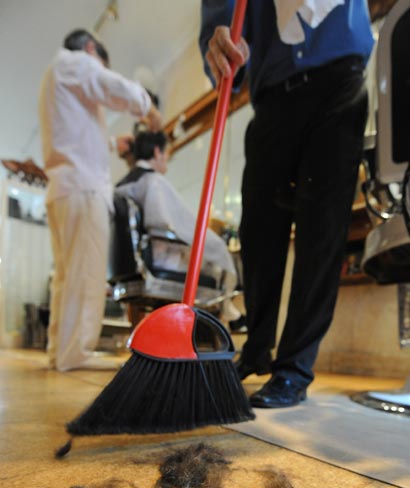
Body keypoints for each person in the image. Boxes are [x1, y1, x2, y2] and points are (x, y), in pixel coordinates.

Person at [200, 0, 374, 407]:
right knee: (257, 231)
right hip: (272, 93)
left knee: (321, 231)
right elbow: (220, 13)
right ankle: (256, 348)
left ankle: (294, 368)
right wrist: (219, 36)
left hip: (339, 78)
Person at [38, 29, 162, 371]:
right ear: (91, 49)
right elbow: (109, 85)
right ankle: (76, 353)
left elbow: (72, 135)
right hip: (83, 190)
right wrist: (148, 108)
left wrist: (110, 143)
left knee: (66, 277)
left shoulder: (54, 74)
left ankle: (60, 351)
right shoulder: (76, 62)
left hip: (63, 189)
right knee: (85, 275)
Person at [115, 128, 247, 331]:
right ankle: (223, 319)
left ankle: (229, 315)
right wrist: (214, 244)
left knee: (211, 259)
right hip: (159, 259)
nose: (167, 158)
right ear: (157, 152)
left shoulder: (121, 185)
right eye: (167, 153)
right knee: (218, 264)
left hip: (133, 266)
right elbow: (161, 224)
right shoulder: (154, 182)